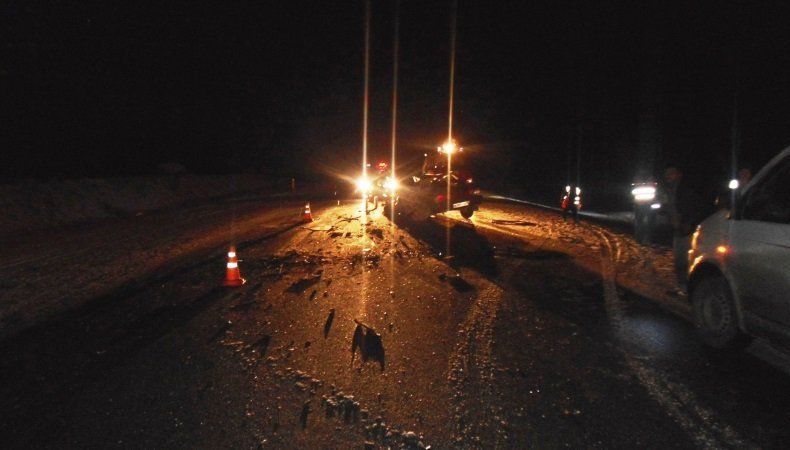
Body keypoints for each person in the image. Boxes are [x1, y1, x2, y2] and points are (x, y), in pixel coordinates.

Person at [664, 165, 708, 289]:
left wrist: (688, 222)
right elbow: (668, 207)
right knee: (679, 258)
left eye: (671, 173)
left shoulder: (686, 189)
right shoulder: (668, 190)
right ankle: (682, 285)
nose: (668, 176)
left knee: (688, 258)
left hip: (687, 228)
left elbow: (694, 207)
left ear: (679, 174)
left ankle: (690, 285)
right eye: (667, 174)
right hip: (677, 229)